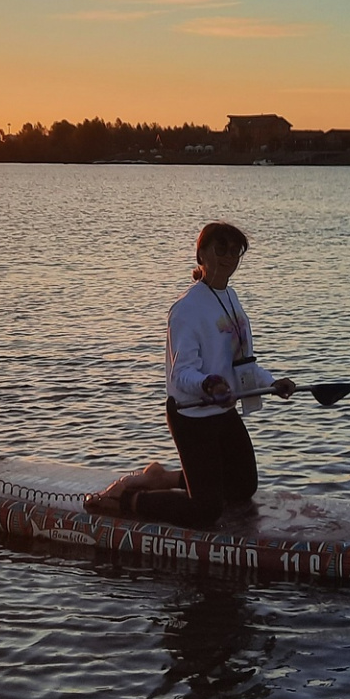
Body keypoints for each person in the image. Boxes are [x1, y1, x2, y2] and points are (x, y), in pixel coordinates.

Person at [88, 221, 296, 527]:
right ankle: (126, 500)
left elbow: (242, 363)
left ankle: (161, 477)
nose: (228, 256)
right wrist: (207, 383)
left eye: (235, 250)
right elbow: (181, 375)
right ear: (201, 254)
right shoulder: (187, 309)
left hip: (221, 411)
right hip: (191, 415)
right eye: (220, 248)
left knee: (242, 488)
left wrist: (271, 383)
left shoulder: (230, 298)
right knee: (205, 510)